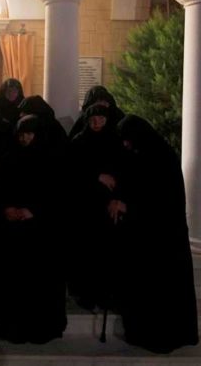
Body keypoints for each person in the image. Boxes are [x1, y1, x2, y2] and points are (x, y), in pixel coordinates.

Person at [109, 115, 198, 353]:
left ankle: (160, 338)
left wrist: (127, 206)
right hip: (146, 237)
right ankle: (142, 334)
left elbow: (162, 202)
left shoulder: (161, 158)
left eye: (128, 139)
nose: (125, 144)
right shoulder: (143, 155)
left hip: (163, 239)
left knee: (162, 294)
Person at [0, 115, 67, 344]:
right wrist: (8, 208)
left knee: (39, 282)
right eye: (21, 134)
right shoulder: (10, 158)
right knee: (16, 282)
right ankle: (15, 329)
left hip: (40, 233)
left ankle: (40, 328)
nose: (25, 138)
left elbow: (56, 194)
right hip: (14, 231)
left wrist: (34, 211)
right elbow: (1, 188)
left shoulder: (50, 160)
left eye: (29, 133)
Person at [69, 103, 124, 311]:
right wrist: (96, 176)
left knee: (106, 252)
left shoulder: (115, 142)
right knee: (86, 252)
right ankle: (85, 294)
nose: (96, 122)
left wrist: (117, 198)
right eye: (93, 119)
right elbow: (71, 172)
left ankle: (106, 294)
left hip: (108, 206)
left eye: (101, 118)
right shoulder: (79, 142)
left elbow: (122, 172)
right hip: (85, 207)